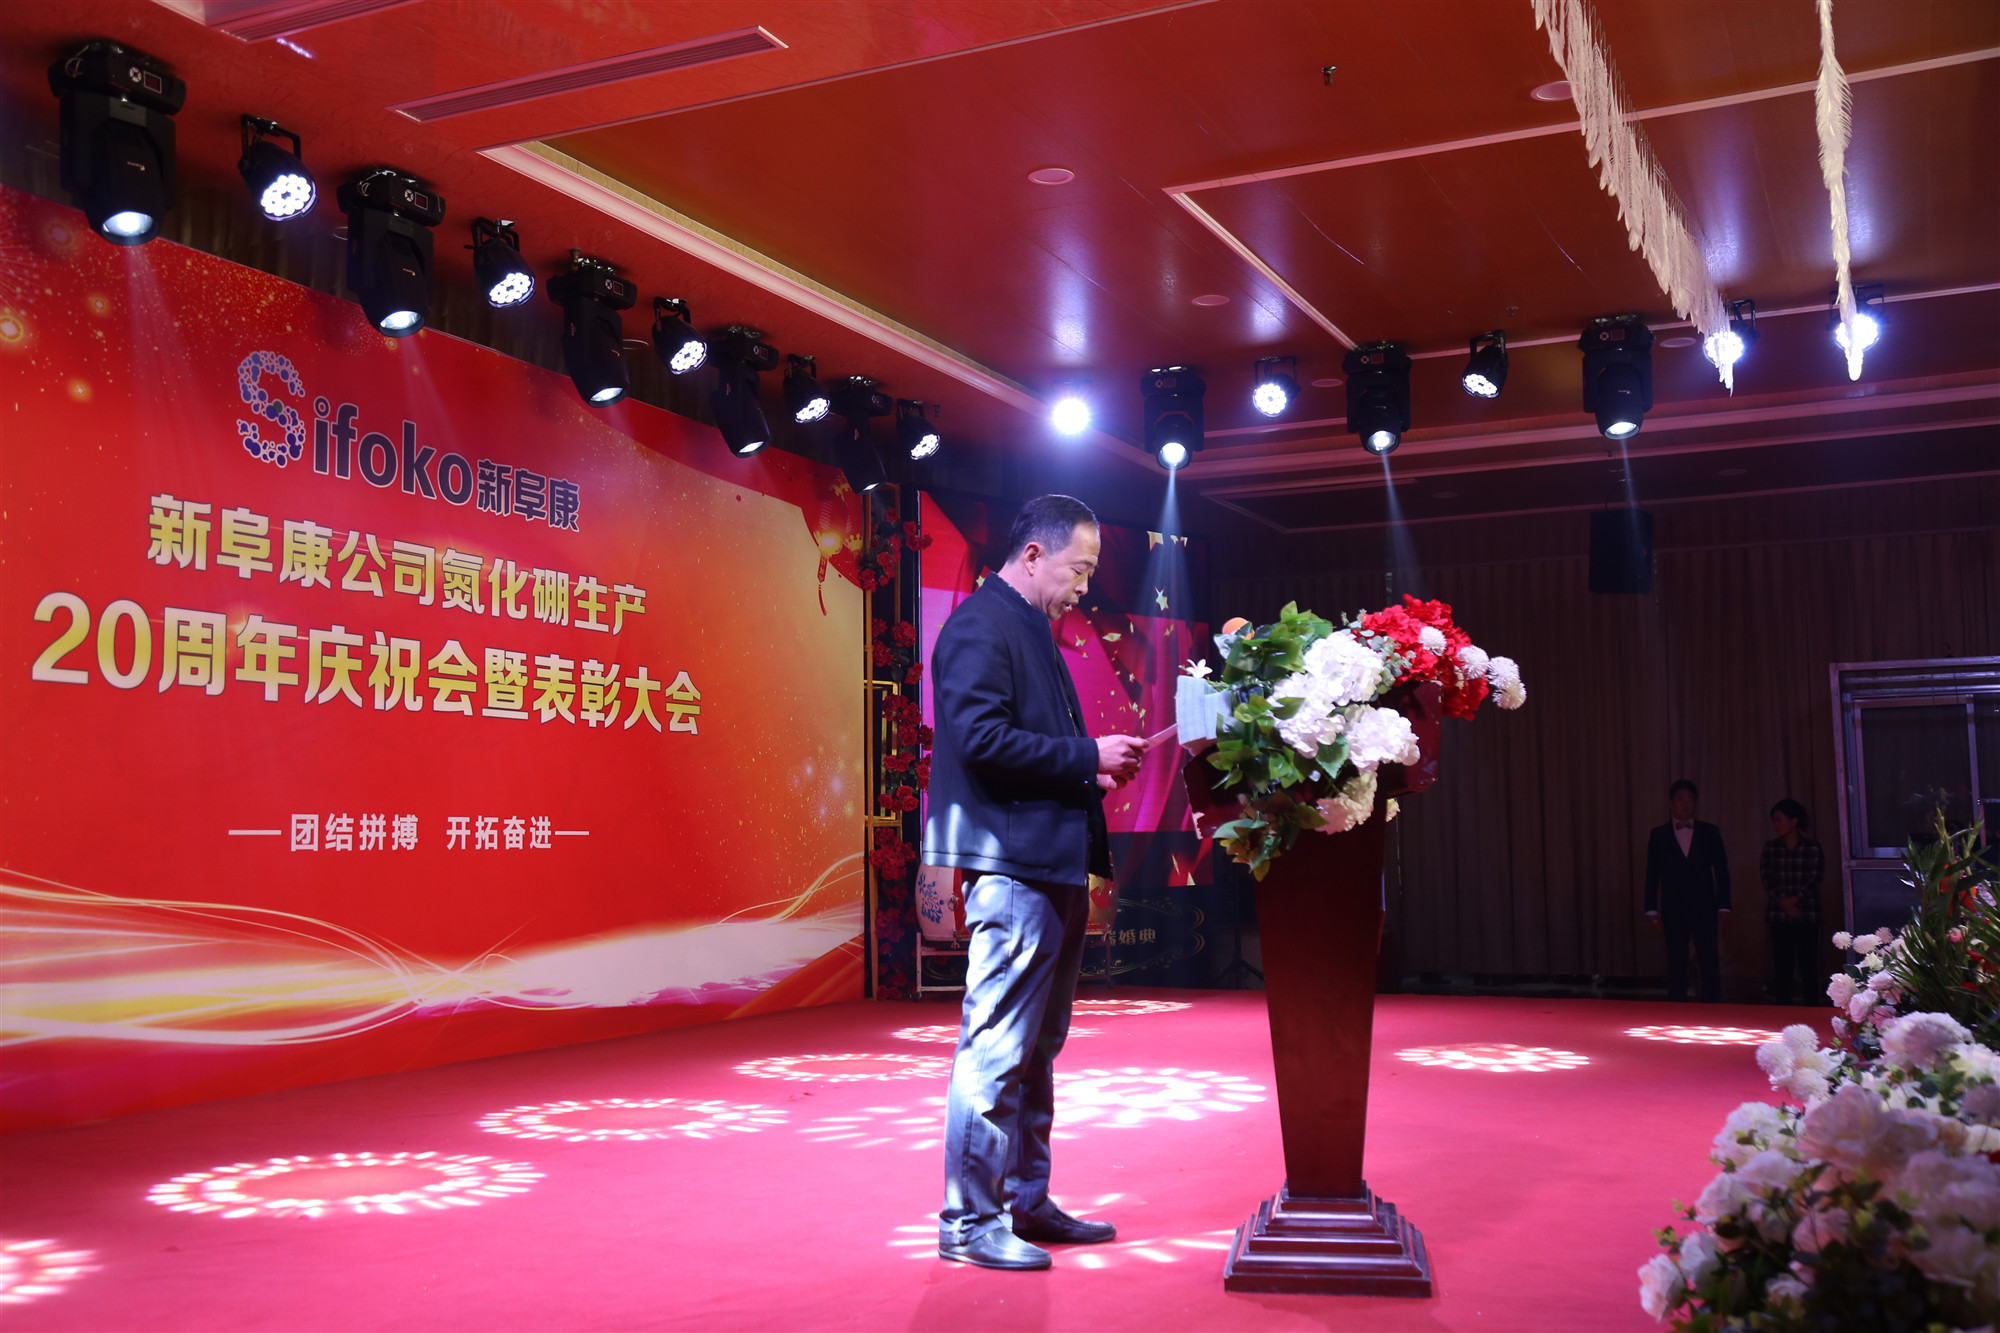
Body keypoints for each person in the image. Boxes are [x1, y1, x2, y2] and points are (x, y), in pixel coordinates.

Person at [923, 494, 1147, 1272]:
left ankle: (1023, 1199)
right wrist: (1087, 756)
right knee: (997, 1043)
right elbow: (980, 739)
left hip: (1046, 861)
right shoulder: (982, 626)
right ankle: (969, 1219)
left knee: (1035, 1046)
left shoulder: (1026, 629)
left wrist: (1090, 768)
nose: (1084, 586)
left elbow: (1026, 748)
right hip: (1013, 865)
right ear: (1031, 554)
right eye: (1078, 568)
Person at [1644, 779, 1732, 1002]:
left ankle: (1712, 1005)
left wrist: (1724, 906)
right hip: (1673, 905)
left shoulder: (1710, 831)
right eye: (1680, 799)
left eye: (1690, 799)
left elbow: (1721, 870)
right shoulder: (1659, 834)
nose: (1685, 804)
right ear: (1671, 802)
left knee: (1708, 956)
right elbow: (1653, 872)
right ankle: (1677, 1006)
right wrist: (1650, 908)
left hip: (1704, 904)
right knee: (1676, 958)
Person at [1760, 799, 1825, 1004]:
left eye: (1779, 819)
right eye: (1774, 820)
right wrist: (1784, 902)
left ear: (1793, 821)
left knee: (1809, 967)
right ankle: (1783, 1010)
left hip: (1807, 913)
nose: (1776, 824)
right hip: (1779, 916)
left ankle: (1812, 1009)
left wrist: (1796, 899)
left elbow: (1816, 878)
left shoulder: (1812, 847)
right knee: (1782, 967)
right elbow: (1767, 878)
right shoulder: (1771, 847)